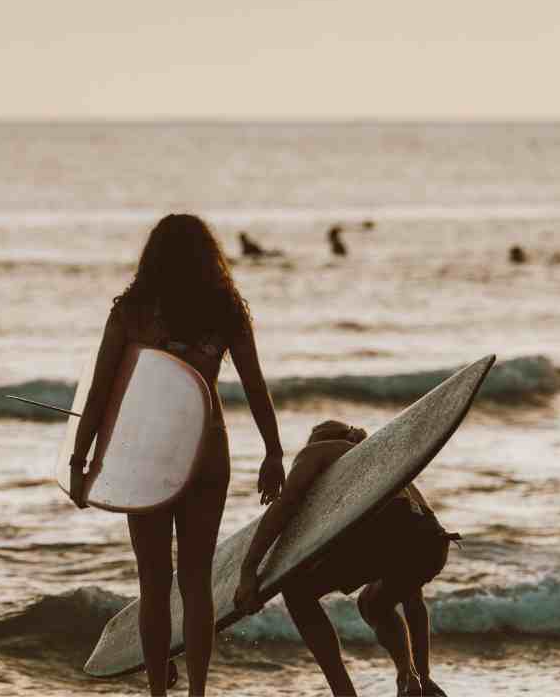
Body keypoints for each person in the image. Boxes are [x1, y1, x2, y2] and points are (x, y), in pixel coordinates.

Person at [69, 214, 285, 695]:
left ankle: (158, 695)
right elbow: (255, 387)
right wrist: (273, 452)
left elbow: (100, 390)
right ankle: (198, 692)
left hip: (148, 454)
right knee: (195, 580)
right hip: (208, 449)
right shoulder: (226, 309)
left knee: (153, 583)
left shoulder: (133, 311)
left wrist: (78, 462)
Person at [234, 420, 457, 697]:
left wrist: (248, 570)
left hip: (389, 530)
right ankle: (410, 678)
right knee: (373, 603)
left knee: (296, 589)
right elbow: (414, 601)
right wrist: (425, 675)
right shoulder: (391, 466)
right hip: (432, 542)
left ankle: (344, 693)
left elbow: (287, 504)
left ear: (318, 441)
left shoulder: (320, 452)